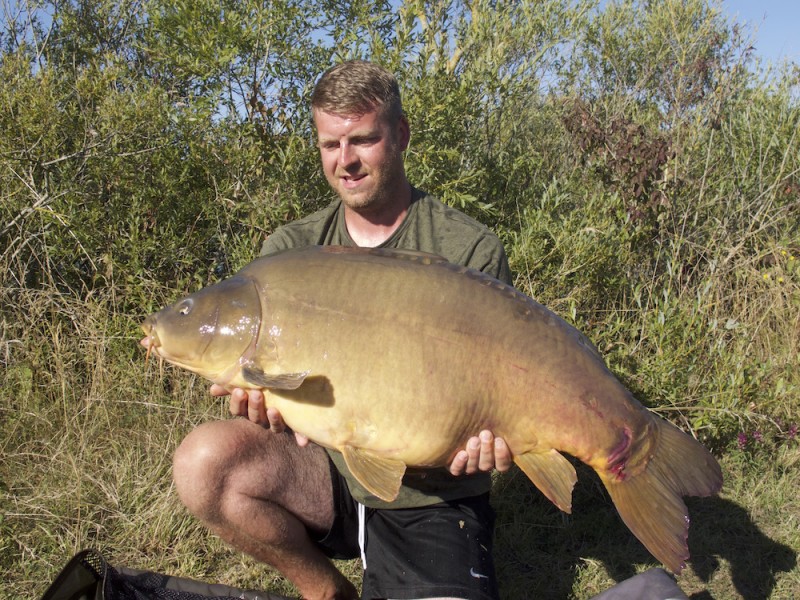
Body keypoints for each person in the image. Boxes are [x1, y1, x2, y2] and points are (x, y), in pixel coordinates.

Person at [172, 60, 514, 600]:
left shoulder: (467, 250)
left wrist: (494, 440)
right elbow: (279, 400)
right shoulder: (290, 251)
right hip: (323, 471)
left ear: (400, 135)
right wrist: (260, 403)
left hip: (429, 491)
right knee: (203, 463)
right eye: (331, 144)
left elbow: (498, 391)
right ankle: (325, 591)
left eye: (363, 140)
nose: (346, 161)